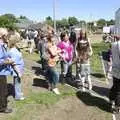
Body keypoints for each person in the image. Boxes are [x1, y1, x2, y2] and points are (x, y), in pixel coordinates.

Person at [0, 28, 13, 113]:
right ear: (1, 36)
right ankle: (3, 107)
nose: (7, 36)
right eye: (6, 35)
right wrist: (8, 61)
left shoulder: (2, 45)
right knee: (3, 91)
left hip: (2, 71)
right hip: (0, 72)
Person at [8, 35, 25, 100]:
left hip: (19, 69)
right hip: (17, 70)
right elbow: (14, 64)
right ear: (14, 43)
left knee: (18, 82)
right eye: (19, 43)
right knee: (17, 83)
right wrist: (18, 72)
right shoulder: (13, 51)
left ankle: (19, 92)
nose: (20, 44)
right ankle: (18, 96)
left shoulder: (16, 49)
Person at [109, 36, 120, 113]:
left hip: (115, 68)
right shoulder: (118, 44)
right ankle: (117, 107)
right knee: (119, 90)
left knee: (115, 86)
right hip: (118, 69)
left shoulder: (113, 44)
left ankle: (111, 99)